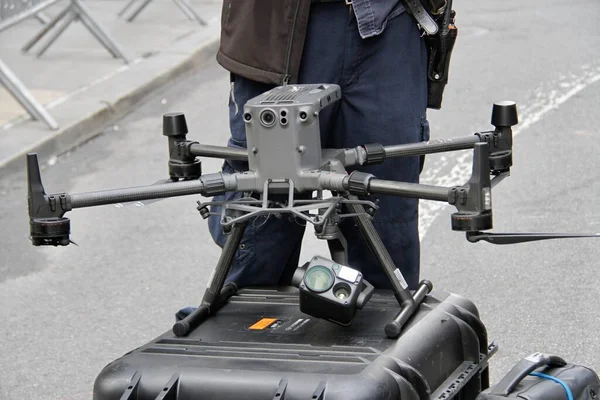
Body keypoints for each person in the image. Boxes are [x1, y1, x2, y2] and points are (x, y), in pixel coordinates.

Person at [208, 0, 431, 292]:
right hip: (274, 31)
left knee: (384, 225)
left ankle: (384, 324)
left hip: (388, 23)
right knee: (259, 229)